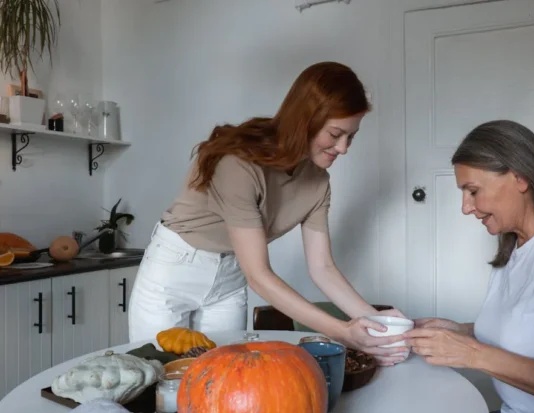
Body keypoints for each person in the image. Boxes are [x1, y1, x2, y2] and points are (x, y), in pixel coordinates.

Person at [128, 61, 408, 366]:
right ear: (305, 119)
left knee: (224, 375)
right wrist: (341, 331)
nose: (343, 148)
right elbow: (259, 275)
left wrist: (375, 320)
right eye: (335, 134)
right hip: (175, 268)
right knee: (160, 375)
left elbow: (323, 268)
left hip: (230, 276)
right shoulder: (237, 163)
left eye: (351, 137)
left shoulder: (318, 183)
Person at [400, 120, 534, 412]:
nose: (465, 207)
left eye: (472, 190)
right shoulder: (515, 247)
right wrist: (461, 331)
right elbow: (533, 334)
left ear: (519, 178)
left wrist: (471, 354)